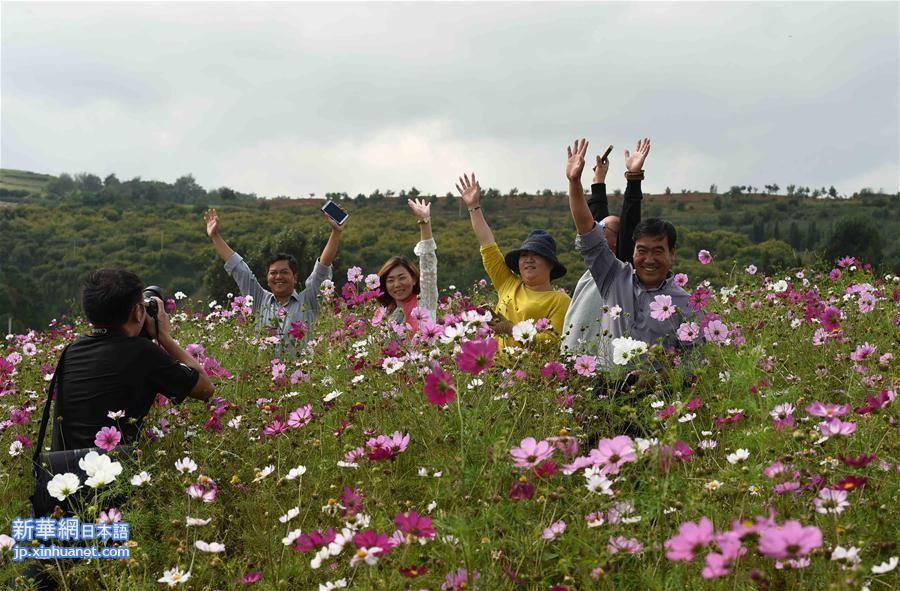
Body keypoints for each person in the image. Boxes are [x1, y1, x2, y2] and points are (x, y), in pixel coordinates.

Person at [566, 138, 695, 371]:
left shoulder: (685, 304)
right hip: (606, 392)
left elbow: (695, 361)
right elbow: (588, 229)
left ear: (672, 253)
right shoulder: (615, 278)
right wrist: (575, 183)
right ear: (632, 250)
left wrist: (660, 378)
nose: (648, 259)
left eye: (658, 251)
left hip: (656, 399)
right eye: (641, 250)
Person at [51, 269, 214, 452]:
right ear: (137, 312)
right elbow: (205, 389)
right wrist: (164, 336)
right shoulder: (141, 352)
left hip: (62, 475)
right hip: (111, 474)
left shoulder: (71, 352)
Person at [456, 172, 571, 350]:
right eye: (524, 255)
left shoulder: (560, 300)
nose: (529, 260)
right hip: (496, 369)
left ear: (551, 264)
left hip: (531, 375)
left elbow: (551, 342)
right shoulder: (508, 283)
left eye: (537, 255)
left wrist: (511, 329)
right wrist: (474, 207)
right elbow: (488, 245)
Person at [205, 207, 343, 349]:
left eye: (284, 272)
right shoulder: (259, 300)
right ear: (267, 277)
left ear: (294, 277)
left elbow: (322, 268)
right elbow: (239, 270)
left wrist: (336, 232)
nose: (278, 277)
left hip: (302, 369)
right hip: (264, 370)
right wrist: (215, 236)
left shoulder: (308, 301)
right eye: (273, 273)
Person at [562, 138, 650, 356]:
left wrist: (634, 179)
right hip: (572, 360)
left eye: (603, 230)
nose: (596, 230)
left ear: (618, 242)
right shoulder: (598, 267)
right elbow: (596, 219)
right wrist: (597, 180)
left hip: (598, 365)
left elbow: (630, 221)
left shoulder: (621, 271)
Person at [376, 198, 438, 332]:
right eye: (390, 280)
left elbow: (429, 269)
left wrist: (424, 222)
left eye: (402, 277)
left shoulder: (424, 302)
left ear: (414, 279)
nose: (397, 284)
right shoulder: (384, 316)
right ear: (384, 285)